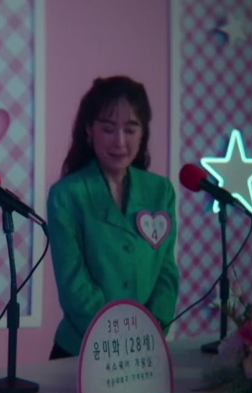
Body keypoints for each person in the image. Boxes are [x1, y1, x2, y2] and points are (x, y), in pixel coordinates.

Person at [47, 76, 179, 358]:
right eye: (108, 129)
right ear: (89, 130)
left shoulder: (161, 191)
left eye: (130, 129)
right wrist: (115, 336)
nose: (119, 141)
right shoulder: (67, 195)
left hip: (144, 349)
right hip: (81, 350)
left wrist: (150, 329)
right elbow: (73, 283)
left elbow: (166, 272)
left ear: (142, 133)